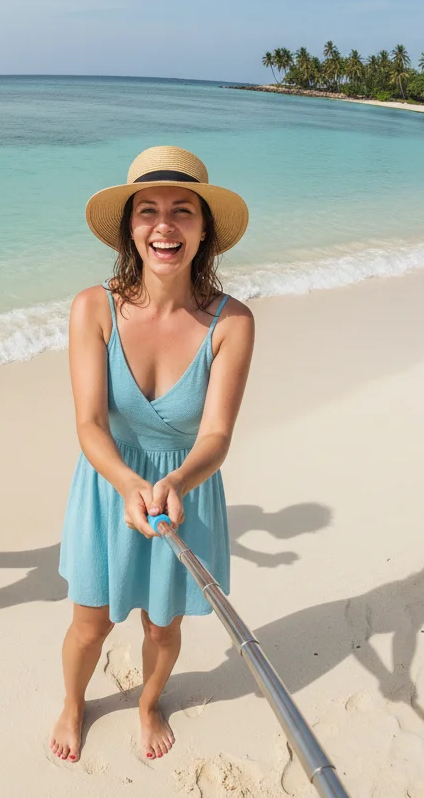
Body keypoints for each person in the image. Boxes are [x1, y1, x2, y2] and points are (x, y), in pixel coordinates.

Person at [50, 145, 255, 762]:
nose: (164, 226)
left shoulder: (232, 321)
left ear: (204, 230)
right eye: (149, 211)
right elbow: (88, 424)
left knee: (163, 626)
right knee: (91, 622)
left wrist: (175, 484)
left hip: (184, 490)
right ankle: (72, 702)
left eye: (182, 211)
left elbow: (216, 436)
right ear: (130, 227)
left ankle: (147, 703)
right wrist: (126, 484)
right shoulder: (93, 307)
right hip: (107, 485)